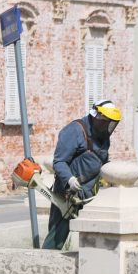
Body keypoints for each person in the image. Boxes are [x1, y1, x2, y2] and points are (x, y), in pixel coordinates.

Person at [42, 100, 121, 250]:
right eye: (105, 122)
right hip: (68, 196)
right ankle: (42, 266)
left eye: (111, 123)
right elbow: (59, 162)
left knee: (94, 237)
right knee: (56, 240)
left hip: (90, 196)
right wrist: (70, 180)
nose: (108, 126)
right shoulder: (74, 131)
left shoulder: (103, 136)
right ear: (96, 116)